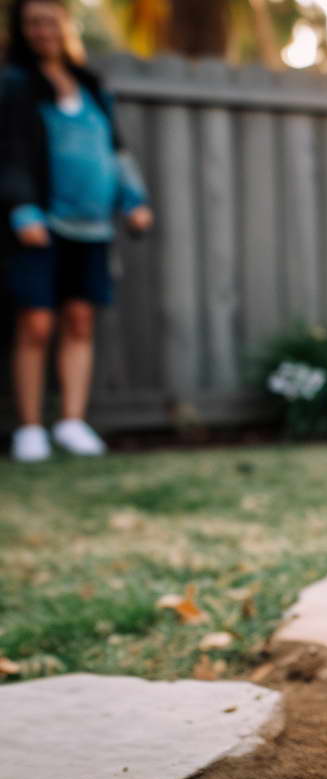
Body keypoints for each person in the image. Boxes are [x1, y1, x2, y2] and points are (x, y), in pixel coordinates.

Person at [1, 0, 153, 462]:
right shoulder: (14, 84)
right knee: (35, 322)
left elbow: (116, 151)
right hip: (40, 222)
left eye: (49, 20)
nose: (42, 30)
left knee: (81, 319)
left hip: (93, 225)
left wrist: (134, 199)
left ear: (65, 25)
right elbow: (9, 151)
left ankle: (71, 421)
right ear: (21, 29)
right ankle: (30, 428)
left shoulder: (90, 84)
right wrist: (21, 207)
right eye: (33, 22)